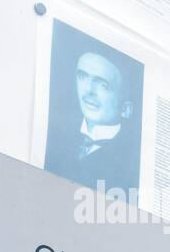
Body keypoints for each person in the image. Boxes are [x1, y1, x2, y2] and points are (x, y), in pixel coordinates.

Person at [44, 48, 140, 193]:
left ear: (125, 109)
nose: (88, 90)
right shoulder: (55, 134)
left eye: (103, 85)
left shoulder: (131, 166)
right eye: (82, 77)